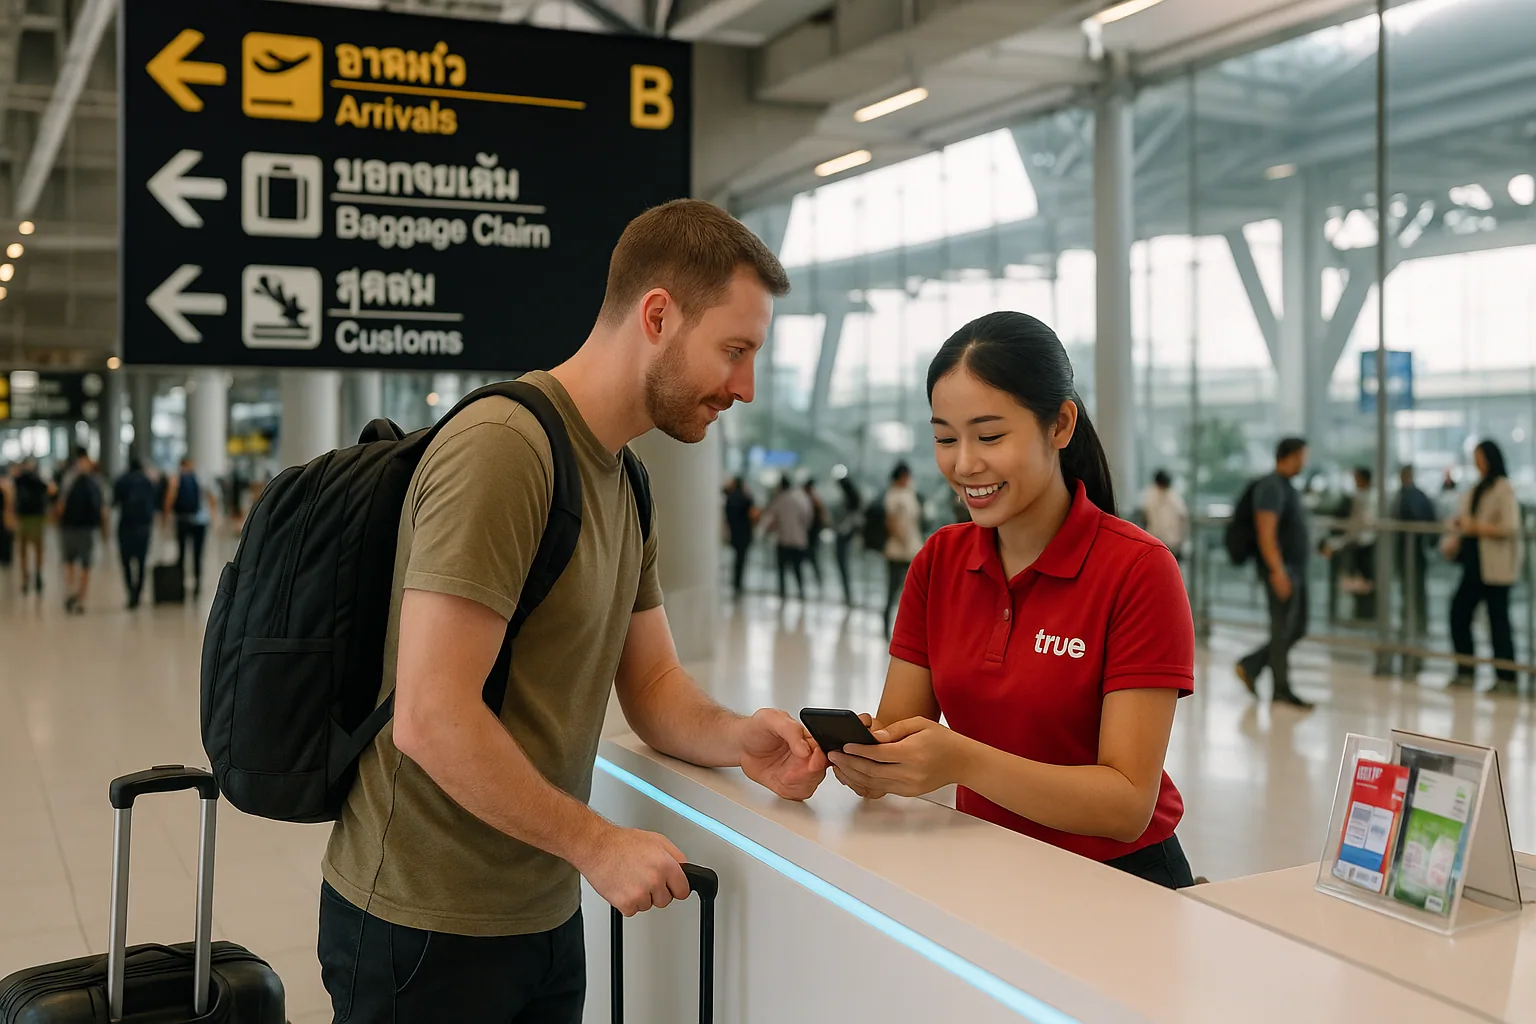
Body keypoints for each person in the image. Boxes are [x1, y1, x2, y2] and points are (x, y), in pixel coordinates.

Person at [319, 198, 826, 1023]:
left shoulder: (625, 480)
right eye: (734, 350)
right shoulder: (506, 451)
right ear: (657, 315)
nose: (745, 386)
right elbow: (429, 714)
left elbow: (653, 681)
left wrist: (741, 738)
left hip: (543, 910)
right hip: (423, 925)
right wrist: (598, 844)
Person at [826, 311, 1197, 889]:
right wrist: (855, 757)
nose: (964, 463)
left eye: (990, 435)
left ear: (1060, 425)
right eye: (945, 438)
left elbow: (1126, 806)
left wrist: (962, 760)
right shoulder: (939, 562)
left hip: (1120, 883)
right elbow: (904, 731)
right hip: (989, 865)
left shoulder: (1139, 571)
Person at [1234, 438, 1314, 709]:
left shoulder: (1286, 486)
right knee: (1282, 630)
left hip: (1294, 570)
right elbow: (1265, 531)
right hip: (1282, 571)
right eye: (1302, 456)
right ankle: (1281, 689)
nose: (1304, 462)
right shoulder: (1271, 487)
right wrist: (1277, 571)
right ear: (1289, 456)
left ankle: (1252, 665)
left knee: (1296, 628)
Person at [1445, 440, 1521, 693]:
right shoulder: (1478, 488)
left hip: (1495, 567)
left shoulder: (1503, 488)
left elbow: (1509, 527)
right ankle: (1466, 670)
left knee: (1498, 621)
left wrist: (1475, 527)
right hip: (1475, 564)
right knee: (1459, 613)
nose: (1477, 462)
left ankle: (1507, 678)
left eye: (1480, 457)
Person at [1389, 465, 1437, 674]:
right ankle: (1413, 621)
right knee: (1412, 588)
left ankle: (1416, 622)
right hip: (1407, 551)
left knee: (1414, 588)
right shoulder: (1410, 495)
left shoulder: (1411, 496)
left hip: (1412, 551)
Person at [56, 449, 108, 615]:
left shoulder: (88, 480)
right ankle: (72, 592)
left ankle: (80, 595)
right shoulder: (86, 480)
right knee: (71, 561)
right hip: (73, 527)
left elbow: (102, 507)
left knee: (84, 563)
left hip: (82, 527)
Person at [1322, 467, 1377, 621]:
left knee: (1363, 581)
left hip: (1362, 544)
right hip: (1360, 542)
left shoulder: (1365, 498)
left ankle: (1364, 614)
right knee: (1360, 582)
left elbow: (1359, 524)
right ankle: (1360, 613)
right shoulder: (1363, 496)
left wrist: (1343, 541)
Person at [164, 456, 214, 598]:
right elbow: (211, 498)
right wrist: (214, 517)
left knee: (182, 553)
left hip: (182, 521)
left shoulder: (176, 478)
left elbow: (170, 497)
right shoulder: (201, 478)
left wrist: (166, 517)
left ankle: (180, 586)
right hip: (201, 521)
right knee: (198, 554)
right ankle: (197, 585)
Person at [882, 462, 922, 634]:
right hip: (897, 551)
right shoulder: (893, 496)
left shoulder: (909, 493)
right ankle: (886, 626)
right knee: (893, 589)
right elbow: (890, 522)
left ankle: (909, 630)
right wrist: (902, 539)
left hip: (912, 550)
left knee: (913, 592)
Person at [114, 456, 159, 609]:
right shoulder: (147, 481)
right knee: (141, 561)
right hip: (143, 526)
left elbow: (114, 501)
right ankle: (138, 593)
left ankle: (130, 592)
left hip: (126, 525)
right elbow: (155, 501)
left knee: (126, 561)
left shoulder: (121, 481)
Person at [761, 476, 813, 602]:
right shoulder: (800, 498)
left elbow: (770, 517)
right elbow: (808, 518)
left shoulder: (780, 499)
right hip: (798, 540)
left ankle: (783, 593)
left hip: (784, 540)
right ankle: (801, 593)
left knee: (782, 571)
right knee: (797, 570)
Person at [13, 458, 53, 595]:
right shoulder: (37, 480)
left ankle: (29, 577)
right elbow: (49, 491)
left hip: (28, 517)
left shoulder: (19, 480)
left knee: (27, 550)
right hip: (34, 517)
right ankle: (34, 575)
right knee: (35, 549)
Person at [1140, 469, 1188, 560]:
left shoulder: (1150, 495)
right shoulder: (1172, 496)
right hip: (1162, 541)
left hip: (1164, 542)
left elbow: (1144, 516)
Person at [722, 475, 757, 598]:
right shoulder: (746, 498)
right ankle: (738, 586)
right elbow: (753, 515)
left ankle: (736, 585)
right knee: (741, 561)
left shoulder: (731, 499)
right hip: (745, 534)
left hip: (734, 534)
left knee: (737, 561)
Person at [832, 475, 863, 606]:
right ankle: (848, 596)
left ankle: (848, 596)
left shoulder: (847, 502)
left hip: (843, 536)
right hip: (849, 537)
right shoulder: (855, 501)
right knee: (845, 567)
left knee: (843, 566)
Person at [803, 479, 828, 591]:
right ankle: (817, 583)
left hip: (811, 535)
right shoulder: (812, 499)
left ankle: (818, 583)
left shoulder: (813, 500)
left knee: (812, 559)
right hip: (808, 535)